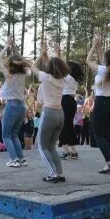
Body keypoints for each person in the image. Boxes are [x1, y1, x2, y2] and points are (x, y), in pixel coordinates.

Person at [31, 39, 70, 183]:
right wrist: (57, 53)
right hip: (60, 114)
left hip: (49, 114)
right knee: (52, 146)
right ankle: (59, 173)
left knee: (42, 147)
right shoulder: (63, 79)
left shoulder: (45, 77)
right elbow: (58, 65)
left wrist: (41, 54)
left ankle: (52, 173)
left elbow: (33, 67)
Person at [86, 35, 110, 174]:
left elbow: (88, 60)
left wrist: (94, 46)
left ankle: (109, 162)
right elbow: (102, 61)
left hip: (102, 102)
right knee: (107, 135)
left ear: (107, 61)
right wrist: (100, 48)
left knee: (98, 134)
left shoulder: (103, 70)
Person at [0, 35, 30, 168]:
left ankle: (14, 160)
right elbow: (21, 59)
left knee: (6, 134)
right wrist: (14, 47)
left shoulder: (9, 75)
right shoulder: (23, 75)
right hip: (22, 106)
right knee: (14, 134)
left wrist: (7, 45)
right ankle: (21, 159)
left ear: (10, 65)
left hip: (12, 106)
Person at [59, 62, 84, 160]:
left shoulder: (67, 77)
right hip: (71, 102)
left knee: (63, 126)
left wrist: (57, 53)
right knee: (69, 126)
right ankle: (73, 151)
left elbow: (59, 66)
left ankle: (66, 151)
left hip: (65, 101)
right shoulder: (74, 79)